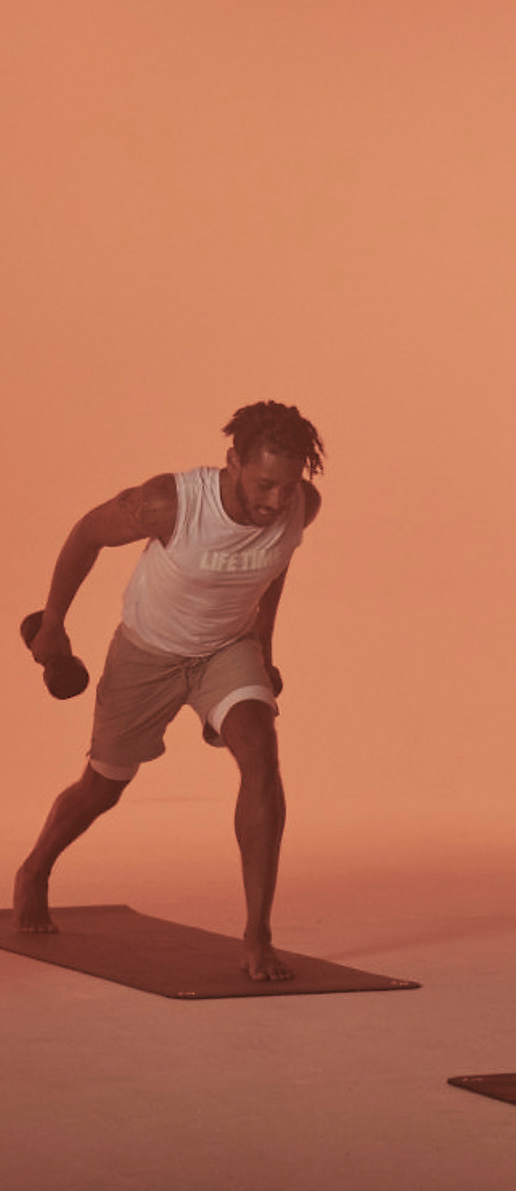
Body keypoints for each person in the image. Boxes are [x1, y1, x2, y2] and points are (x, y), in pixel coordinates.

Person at [14, 400, 323, 982]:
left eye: (289, 487)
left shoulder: (300, 507)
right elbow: (86, 534)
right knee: (102, 788)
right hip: (147, 652)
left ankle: (258, 932)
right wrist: (53, 623)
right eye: (264, 485)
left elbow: (273, 565)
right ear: (231, 461)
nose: (277, 502)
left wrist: (265, 647)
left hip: (226, 651)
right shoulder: (170, 503)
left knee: (261, 754)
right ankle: (35, 868)